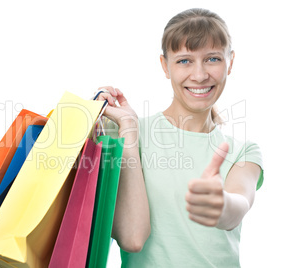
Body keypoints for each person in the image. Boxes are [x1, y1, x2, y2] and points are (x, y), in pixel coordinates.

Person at [96, 8, 264, 268]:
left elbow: (237, 207)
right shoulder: (127, 133)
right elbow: (132, 238)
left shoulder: (243, 151)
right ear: (165, 66)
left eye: (212, 59)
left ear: (230, 62)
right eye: (184, 61)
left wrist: (221, 205)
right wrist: (127, 131)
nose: (199, 75)